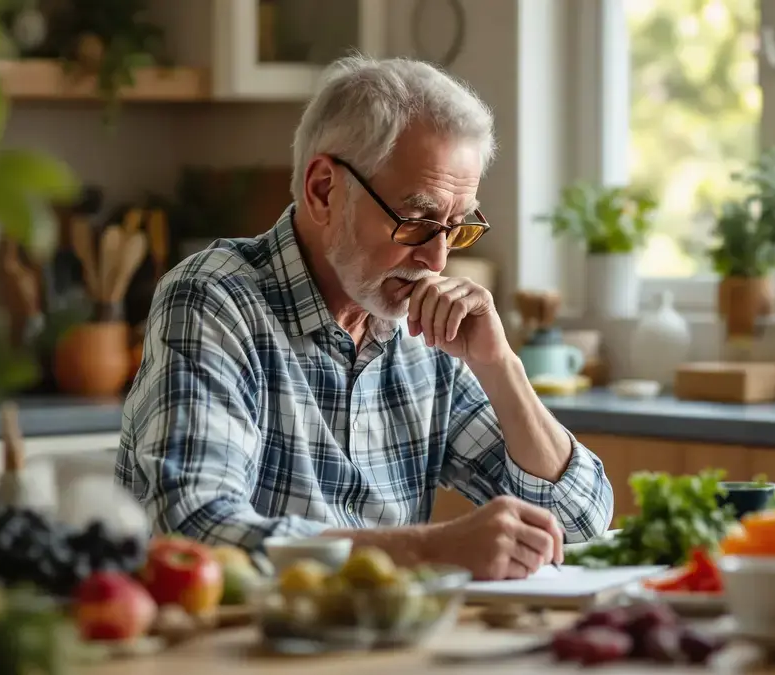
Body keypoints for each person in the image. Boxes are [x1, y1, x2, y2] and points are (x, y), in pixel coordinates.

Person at [116, 55, 613, 580]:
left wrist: (501, 367)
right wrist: (430, 550)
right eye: (417, 221)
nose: (438, 260)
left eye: (456, 227)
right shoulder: (214, 299)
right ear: (324, 190)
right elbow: (196, 529)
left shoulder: (422, 328)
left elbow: (580, 522)